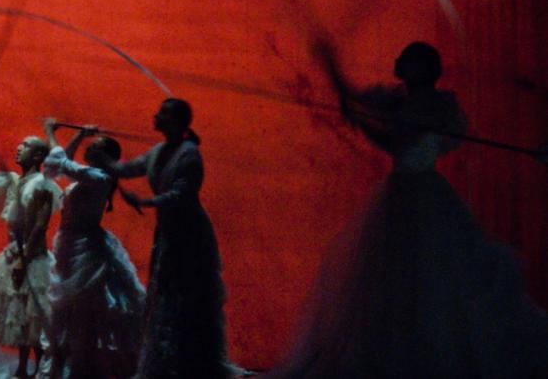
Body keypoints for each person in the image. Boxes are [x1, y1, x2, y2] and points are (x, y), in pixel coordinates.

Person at [266, 39, 548, 378]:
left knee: (428, 277)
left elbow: (399, 139)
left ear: (424, 69)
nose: (399, 62)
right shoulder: (400, 101)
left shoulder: (435, 106)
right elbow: (364, 106)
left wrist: (364, 119)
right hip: (403, 191)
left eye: (409, 59)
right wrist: (331, 67)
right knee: (398, 279)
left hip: (421, 194)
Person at [103, 98, 240, 378]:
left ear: (177, 121)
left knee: (185, 297)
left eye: (163, 114)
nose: (156, 116)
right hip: (168, 233)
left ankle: (190, 364)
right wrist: (107, 162)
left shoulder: (189, 155)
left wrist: (145, 201)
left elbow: (182, 194)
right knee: (167, 295)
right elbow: (130, 169)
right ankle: (169, 364)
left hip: (189, 235)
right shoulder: (159, 151)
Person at [41, 118, 146, 378]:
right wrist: (76, 137)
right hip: (71, 246)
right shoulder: (93, 176)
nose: (90, 149)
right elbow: (64, 163)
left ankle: (82, 369)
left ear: (104, 156)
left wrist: (49, 131)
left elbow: (60, 163)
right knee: (71, 309)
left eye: (95, 147)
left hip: (83, 251)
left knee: (81, 311)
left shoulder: (98, 177)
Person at [0, 116, 62, 379]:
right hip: (13, 255)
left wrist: (24, 260)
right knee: (21, 313)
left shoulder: (43, 185)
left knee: (34, 316)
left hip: (33, 258)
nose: (19, 148)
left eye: (26, 145)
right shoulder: (9, 179)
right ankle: (22, 368)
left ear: (38, 155)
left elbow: (40, 226)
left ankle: (42, 370)